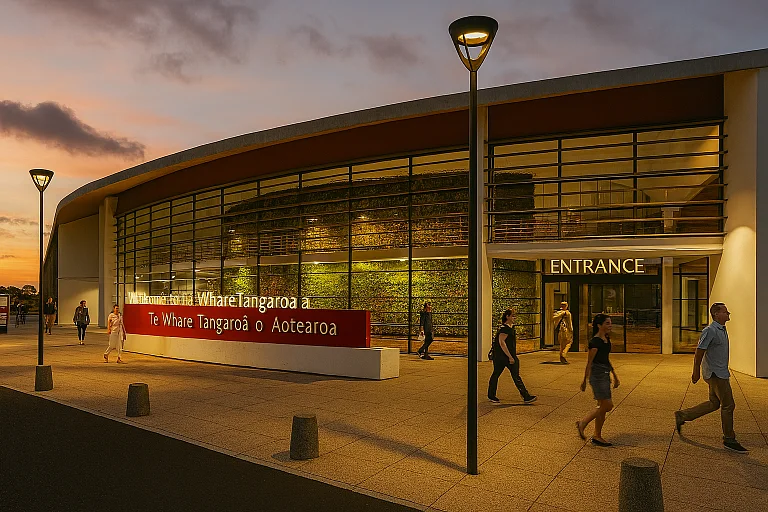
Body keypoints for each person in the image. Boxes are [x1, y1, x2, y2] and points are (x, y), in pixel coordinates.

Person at [675, 303, 748, 453]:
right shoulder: (710, 331)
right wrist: (695, 371)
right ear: (716, 314)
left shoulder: (721, 329)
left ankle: (683, 415)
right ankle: (729, 439)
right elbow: (699, 351)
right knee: (728, 405)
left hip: (719, 372)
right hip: (716, 374)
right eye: (725, 311)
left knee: (714, 403)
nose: (728, 313)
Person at [576, 313, 620, 447]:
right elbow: (589, 362)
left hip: (605, 373)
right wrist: (584, 380)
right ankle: (583, 422)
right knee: (608, 406)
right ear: (599, 325)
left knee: (602, 406)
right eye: (607, 323)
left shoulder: (606, 339)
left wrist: (614, 375)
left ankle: (597, 436)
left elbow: (606, 359)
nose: (610, 325)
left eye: (610, 323)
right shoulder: (595, 342)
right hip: (597, 375)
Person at [487, 309, 537, 404]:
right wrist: (510, 357)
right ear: (507, 316)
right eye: (513, 316)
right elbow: (502, 343)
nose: (515, 317)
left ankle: (492, 395)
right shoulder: (504, 329)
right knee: (509, 375)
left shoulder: (510, 328)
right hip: (503, 357)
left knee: (499, 374)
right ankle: (525, 396)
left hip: (503, 356)